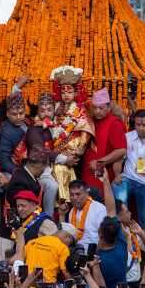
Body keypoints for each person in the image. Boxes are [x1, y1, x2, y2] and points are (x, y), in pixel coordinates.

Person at [49, 66, 95, 202]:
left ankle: (65, 201)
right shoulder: (56, 108)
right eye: (64, 92)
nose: (66, 95)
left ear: (75, 93)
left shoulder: (80, 110)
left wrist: (81, 147)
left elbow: (86, 129)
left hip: (73, 145)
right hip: (57, 146)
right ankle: (60, 202)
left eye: (69, 92)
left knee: (60, 169)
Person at [25, 92, 72, 215]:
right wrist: (65, 159)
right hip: (41, 171)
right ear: (38, 113)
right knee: (52, 186)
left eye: (49, 110)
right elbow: (42, 150)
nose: (46, 113)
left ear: (54, 111)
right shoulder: (35, 129)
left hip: (56, 166)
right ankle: (48, 217)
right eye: (42, 110)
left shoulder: (56, 125)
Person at [0, 147, 50, 259]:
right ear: (39, 166)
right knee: (7, 265)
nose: (44, 171)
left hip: (22, 230)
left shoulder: (27, 177)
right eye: (45, 168)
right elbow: (18, 208)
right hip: (12, 232)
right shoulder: (21, 180)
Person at [82, 88, 127, 193]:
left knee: (100, 199)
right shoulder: (93, 120)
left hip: (102, 171)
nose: (98, 111)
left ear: (108, 107)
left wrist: (100, 162)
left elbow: (121, 150)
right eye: (95, 108)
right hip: (89, 171)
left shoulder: (114, 123)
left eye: (101, 108)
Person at [96, 170, 128, 288]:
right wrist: (105, 181)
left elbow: (99, 287)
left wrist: (105, 181)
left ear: (100, 234)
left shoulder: (99, 260)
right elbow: (111, 211)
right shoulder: (121, 244)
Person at [58, 179, 107, 248]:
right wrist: (62, 215)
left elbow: (104, 237)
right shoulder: (72, 212)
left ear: (86, 194)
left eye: (78, 194)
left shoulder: (99, 209)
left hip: (95, 253)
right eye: (72, 195)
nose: (74, 198)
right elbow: (65, 237)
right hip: (76, 252)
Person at [0, 92, 29, 179]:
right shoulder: (5, 131)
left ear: (25, 111)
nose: (18, 117)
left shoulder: (29, 123)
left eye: (21, 113)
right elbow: (3, 160)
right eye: (14, 114)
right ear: (7, 114)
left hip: (31, 167)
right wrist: (17, 172)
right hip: (13, 170)